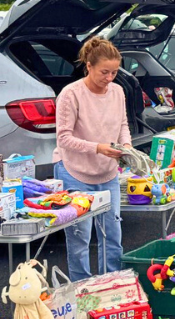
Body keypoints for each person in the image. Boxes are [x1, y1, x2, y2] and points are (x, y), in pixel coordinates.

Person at [54, 37, 130, 281]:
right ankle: (81, 288)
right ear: (89, 66)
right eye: (104, 72)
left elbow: (122, 124)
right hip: (74, 170)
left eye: (114, 72)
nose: (109, 78)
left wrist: (127, 146)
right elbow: (63, 138)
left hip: (107, 172)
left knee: (113, 233)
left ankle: (112, 285)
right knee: (80, 236)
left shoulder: (118, 91)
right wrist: (98, 148)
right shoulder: (71, 94)